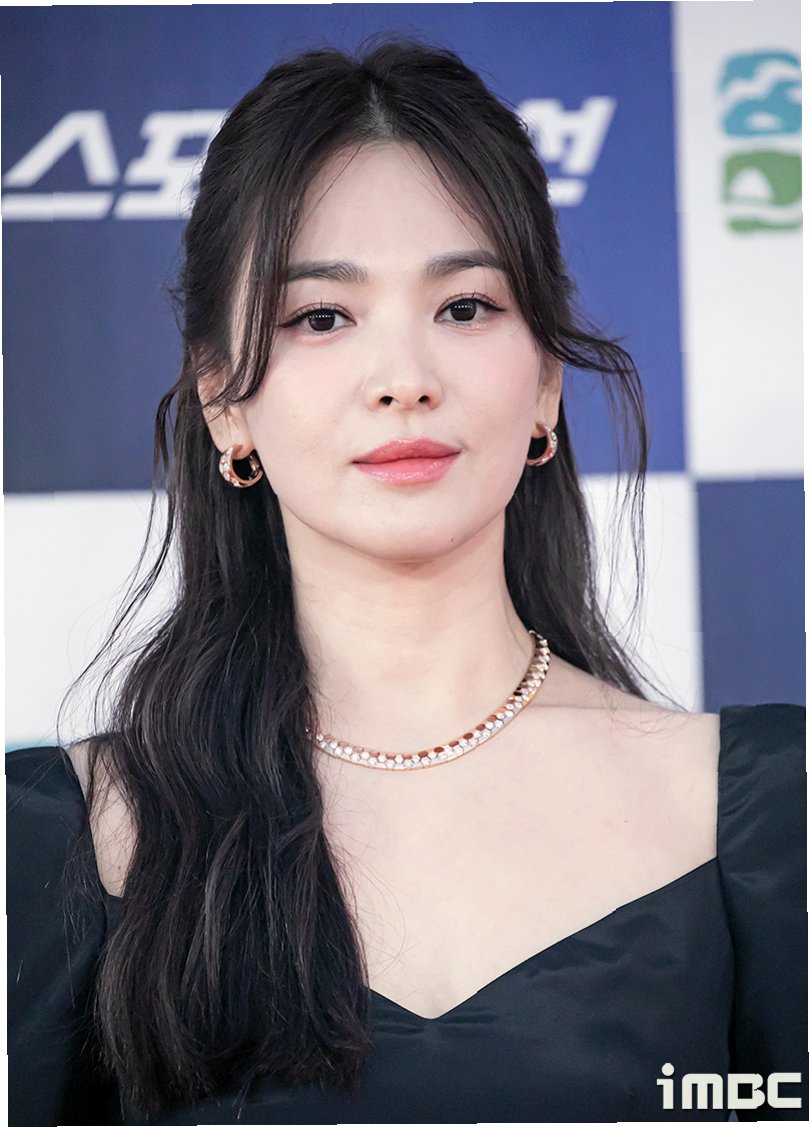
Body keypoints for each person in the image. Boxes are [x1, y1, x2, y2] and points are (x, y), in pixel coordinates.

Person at [6, 36, 806, 1126]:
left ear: (545, 382)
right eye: (320, 317)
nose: (403, 379)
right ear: (223, 402)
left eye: (464, 306)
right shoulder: (57, 837)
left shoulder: (761, 810)